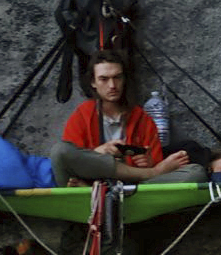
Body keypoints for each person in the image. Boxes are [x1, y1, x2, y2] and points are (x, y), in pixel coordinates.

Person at [54, 51, 197, 183]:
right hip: (92, 186)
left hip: (134, 188)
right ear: (93, 82)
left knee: (195, 173)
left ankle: (149, 176)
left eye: (117, 77)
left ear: (124, 79)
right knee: (60, 151)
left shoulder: (142, 118)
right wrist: (98, 153)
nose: (112, 85)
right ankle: (151, 175)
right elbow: (71, 159)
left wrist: (149, 163)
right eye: (104, 79)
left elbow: (155, 159)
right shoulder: (81, 115)